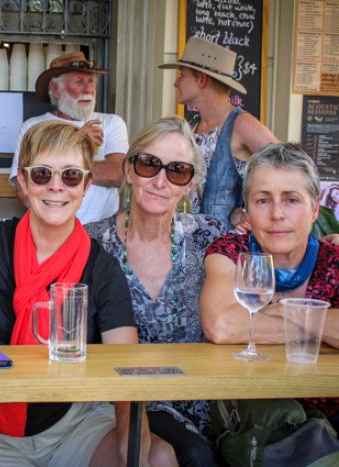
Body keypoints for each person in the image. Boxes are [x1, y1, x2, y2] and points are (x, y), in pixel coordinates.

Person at [0, 121, 176, 466]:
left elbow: (126, 365)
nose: (56, 187)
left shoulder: (102, 267)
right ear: (22, 182)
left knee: (157, 457)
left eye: (70, 176)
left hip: (76, 424)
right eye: (41, 174)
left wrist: (132, 446)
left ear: (86, 184)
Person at [85, 116, 223, 466]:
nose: (160, 180)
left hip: (202, 400)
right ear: (129, 171)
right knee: (193, 455)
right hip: (119, 401)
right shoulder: (91, 242)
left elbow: (269, 264)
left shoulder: (210, 237)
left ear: (190, 185)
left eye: (177, 171)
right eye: (149, 164)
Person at [201, 142, 339, 428]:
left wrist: (281, 310)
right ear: (247, 211)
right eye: (263, 200)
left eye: (291, 200)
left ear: (314, 209)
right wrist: (321, 329)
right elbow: (222, 326)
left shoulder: (333, 260)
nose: (277, 214)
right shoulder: (230, 252)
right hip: (252, 428)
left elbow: (240, 324)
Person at [159, 36, 279, 230]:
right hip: (190, 245)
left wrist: (250, 211)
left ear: (201, 79)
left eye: (182, 75)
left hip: (227, 252)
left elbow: (291, 170)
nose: (176, 82)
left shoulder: (241, 124)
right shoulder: (193, 126)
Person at [9, 51, 129, 225]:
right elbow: (24, 191)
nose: (88, 89)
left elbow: (118, 175)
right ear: (55, 89)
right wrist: (78, 141)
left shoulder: (111, 123)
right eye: (79, 81)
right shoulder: (32, 127)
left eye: (90, 81)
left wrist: (47, 168)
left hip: (101, 235)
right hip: (49, 232)